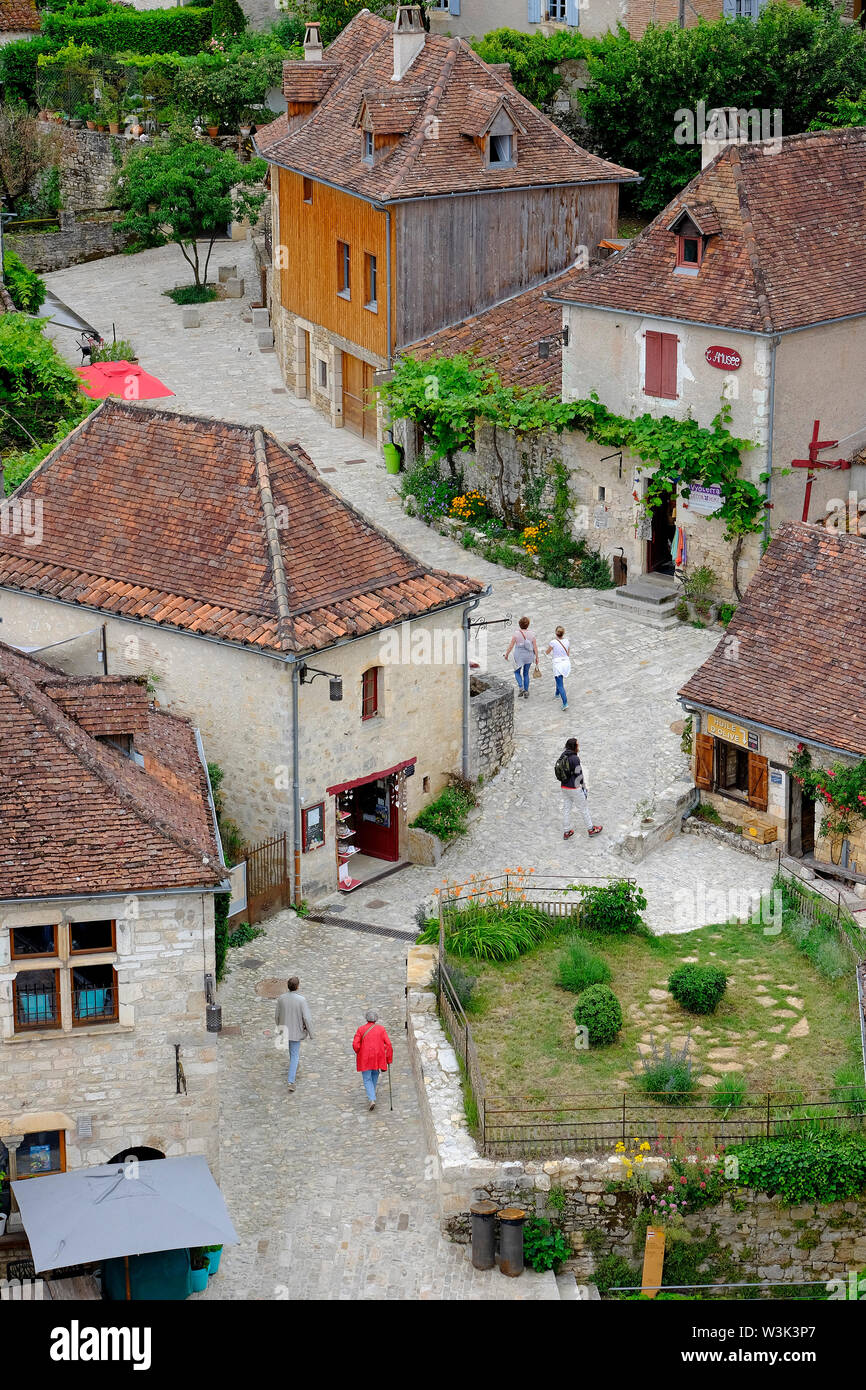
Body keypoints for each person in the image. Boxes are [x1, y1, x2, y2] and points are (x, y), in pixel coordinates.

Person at [555, 737, 602, 840]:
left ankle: (566, 831)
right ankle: (591, 829)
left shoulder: (563, 756)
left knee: (567, 809)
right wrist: (583, 787)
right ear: (574, 746)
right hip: (574, 788)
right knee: (584, 809)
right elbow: (579, 774)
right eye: (577, 744)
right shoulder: (575, 758)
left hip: (564, 786)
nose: (578, 746)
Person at [274, 976, 313, 1093]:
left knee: (292, 1052)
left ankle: (293, 1068)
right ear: (297, 986)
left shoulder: (281, 999)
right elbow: (307, 1018)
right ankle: (291, 1081)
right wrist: (311, 1033)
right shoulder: (301, 1000)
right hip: (296, 1031)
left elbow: (277, 1015)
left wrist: (279, 1026)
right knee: (295, 1054)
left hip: (285, 1029)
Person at [352, 1009, 394, 1111]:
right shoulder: (381, 1029)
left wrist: (359, 1051)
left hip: (365, 1058)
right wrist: (388, 1058)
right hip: (377, 1058)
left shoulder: (361, 1029)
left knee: (367, 1078)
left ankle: (372, 1099)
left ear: (366, 1019)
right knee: (374, 1075)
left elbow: (355, 1044)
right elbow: (388, 1044)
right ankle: (372, 1095)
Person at [504, 616, 539, 699]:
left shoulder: (516, 634)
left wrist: (507, 654)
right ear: (528, 625)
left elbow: (511, 646)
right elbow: (535, 647)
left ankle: (521, 687)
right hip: (529, 656)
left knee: (517, 672)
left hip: (519, 656)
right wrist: (537, 657)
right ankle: (526, 691)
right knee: (526, 673)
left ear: (519, 624)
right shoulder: (532, 634)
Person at [545, 626, 571, 709]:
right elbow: (568, 653)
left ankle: (565, 703)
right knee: (559, 678)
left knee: (560, 684)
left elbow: (547, 652)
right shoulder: (567, 641)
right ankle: (557, 693)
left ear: (556, 633)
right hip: (566, 663)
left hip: (558, 663)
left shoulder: (553, 642)